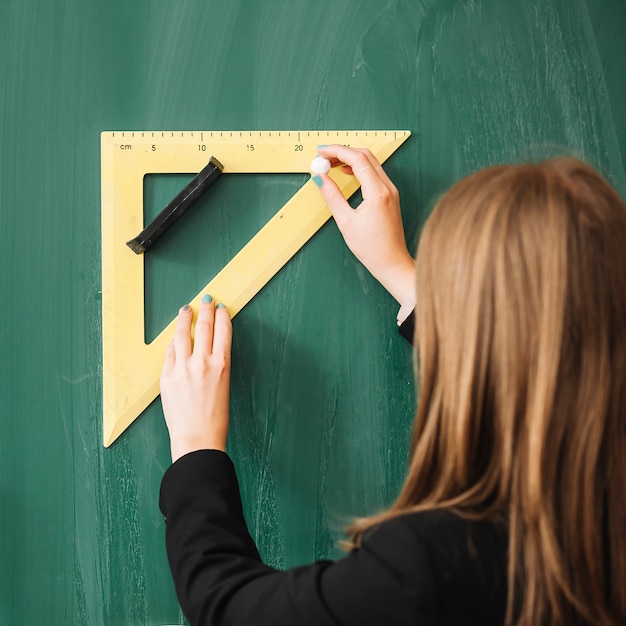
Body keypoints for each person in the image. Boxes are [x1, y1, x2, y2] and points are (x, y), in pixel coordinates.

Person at [158, 146, 626, 626]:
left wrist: (196, 451)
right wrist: (403, 274)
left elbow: (228, 611)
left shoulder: (437, 563)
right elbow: (540, 370)